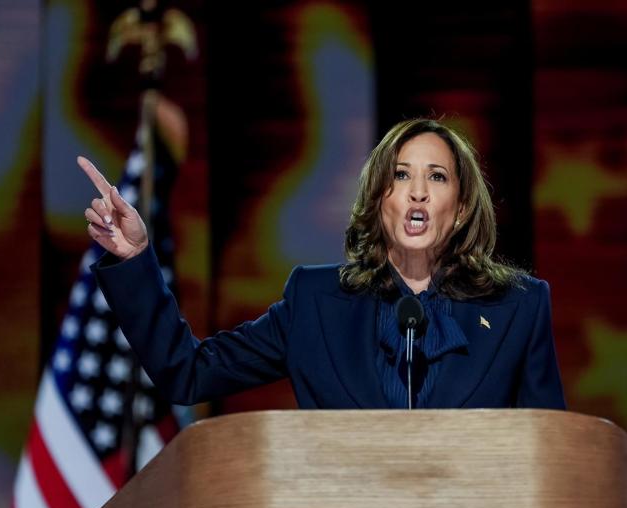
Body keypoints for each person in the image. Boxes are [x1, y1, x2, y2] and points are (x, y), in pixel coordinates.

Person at [82, 118, 565, 410]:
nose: (418, 191)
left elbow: (553, 454)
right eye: (400, 176)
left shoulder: (516, 309)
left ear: (460, 210)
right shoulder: (315, 303)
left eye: (437, 177)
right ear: (381, 200)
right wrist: (137, 261)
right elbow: (187, 373)